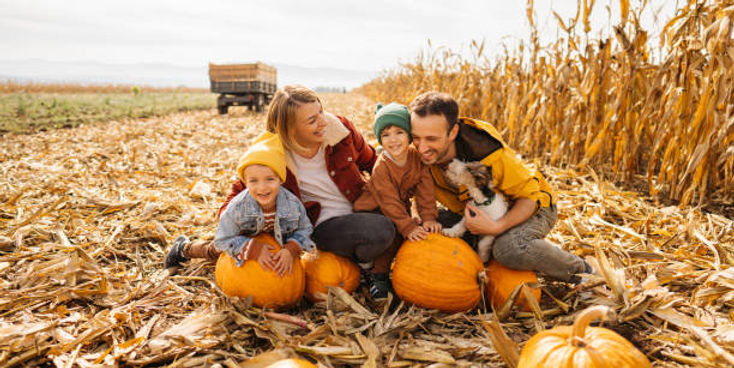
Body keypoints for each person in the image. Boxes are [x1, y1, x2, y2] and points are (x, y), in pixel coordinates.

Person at [166, 84, 396, 298]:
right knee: (381, 230)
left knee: (399, 221)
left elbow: (373, 163)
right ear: (290, 129)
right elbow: (236, 197)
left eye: (321, 112)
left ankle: (186, 247)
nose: (323, 122)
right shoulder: (272, 155)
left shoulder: (341, 131)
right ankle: (187, 249)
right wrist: (238, 229)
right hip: (318, 225)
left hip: (358, 208)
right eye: (312, 120)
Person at [408, 91, 592, 282]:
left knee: (508, 249)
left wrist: (496, 227)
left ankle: (583, 272)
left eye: (431, 139)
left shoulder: (490, 155)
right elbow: (415, 192)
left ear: (453, 132)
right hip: (476, 210)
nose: (422, 148)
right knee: (428, 231)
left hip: (531, 207)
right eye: (416, 138)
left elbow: (529, 198)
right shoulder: (418, 156)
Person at [214, 131, 314, 276]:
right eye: (253, 181)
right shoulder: (238, 207)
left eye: (270, 179)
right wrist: (253, 249)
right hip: (245, 239)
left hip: (279, 243)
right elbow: (222, 239)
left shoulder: (292, 204)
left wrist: (291, 249)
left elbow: (305, 229)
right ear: (245, 182)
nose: (262, 188)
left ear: (280, 179)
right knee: (214, 250)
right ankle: (187, 248)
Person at [354, 102, 441, 242]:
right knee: (390, 241)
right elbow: (389, 202)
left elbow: (426, 190)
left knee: (403, 240)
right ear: (380, 140)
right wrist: (408, 226)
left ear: (409, 136)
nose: (393, 139)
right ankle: (366, 262)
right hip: (373, 212)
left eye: (399, 132)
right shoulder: (381, 168)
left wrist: (429, 218)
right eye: (385, 135)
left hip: (398, 211)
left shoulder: (417, 159)